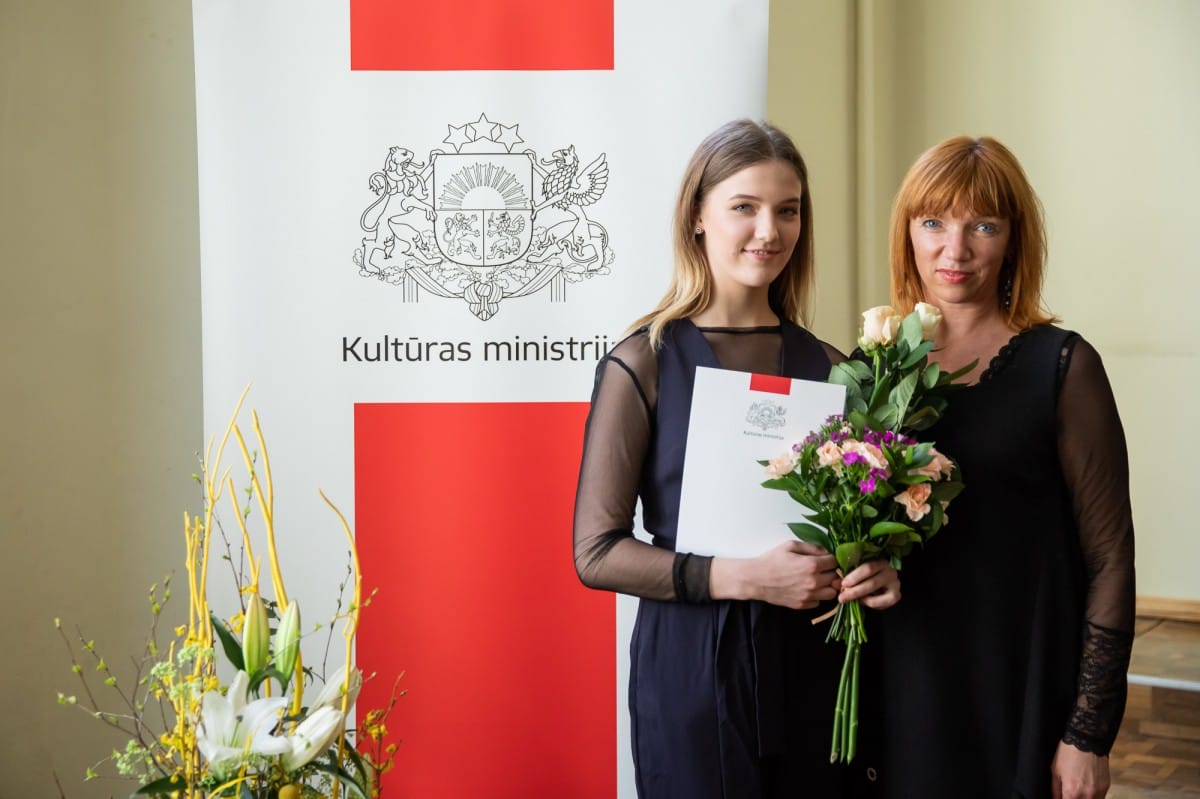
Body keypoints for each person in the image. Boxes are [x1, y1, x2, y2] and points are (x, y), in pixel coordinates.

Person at [572, 119, 901, 799]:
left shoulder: (835, 368)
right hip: (691, 668)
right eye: (744, 207)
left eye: (788, 210)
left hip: (814, 666)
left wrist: (875, 569)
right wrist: (743, 577)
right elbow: (595, 553)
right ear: (698, 216)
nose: (768, 231)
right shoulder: (643, 364)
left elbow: (859, 534)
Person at [874, 136, 1135, 799]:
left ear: (1014, 239)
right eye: (933, 223)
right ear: (907, 234)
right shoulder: (873, 371)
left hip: (1019, 693)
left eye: (983, 226)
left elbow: (1110, 557)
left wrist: (1089, 732)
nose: (955, 249)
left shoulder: (1064, 367)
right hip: (900, 692)